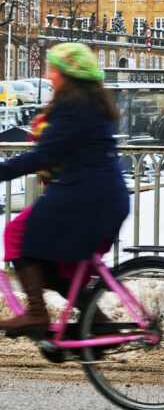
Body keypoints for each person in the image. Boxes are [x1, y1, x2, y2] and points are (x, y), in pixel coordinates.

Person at [0, 43, 130, 338]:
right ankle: (98, 325)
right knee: (56, 264)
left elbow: (43, 156)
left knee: (16, 233)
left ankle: (35, 313)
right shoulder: (93, 102)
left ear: (68, 73)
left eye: (53, 69)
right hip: (101, 196)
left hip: (85, 197)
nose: (49, 76)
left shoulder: (73, 106)